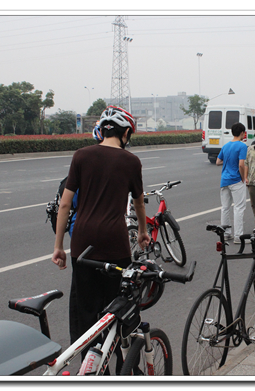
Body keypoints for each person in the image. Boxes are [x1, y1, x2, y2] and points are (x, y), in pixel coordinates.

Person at [52, 105, 151, 352]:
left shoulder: (81, 155)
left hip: (82, 243)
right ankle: (113, 355)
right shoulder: (131, 161)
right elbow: (139, 202)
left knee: (84, 307)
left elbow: (64, 204)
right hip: (114, 244)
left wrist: (58, 247)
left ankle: (88, 362)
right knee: (116, 305)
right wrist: (142, 231)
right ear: (126, 132)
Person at [217, 122, 248, 244]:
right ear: (242, 133)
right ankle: (238, 236)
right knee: (239, 208)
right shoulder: (242, 146)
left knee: (225, 208)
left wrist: (228, 161)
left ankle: (226, 234)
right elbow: (241, 164)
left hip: (224, 180)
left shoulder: (225, 146)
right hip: (236, 180)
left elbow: (218, 161)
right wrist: (243, 177)